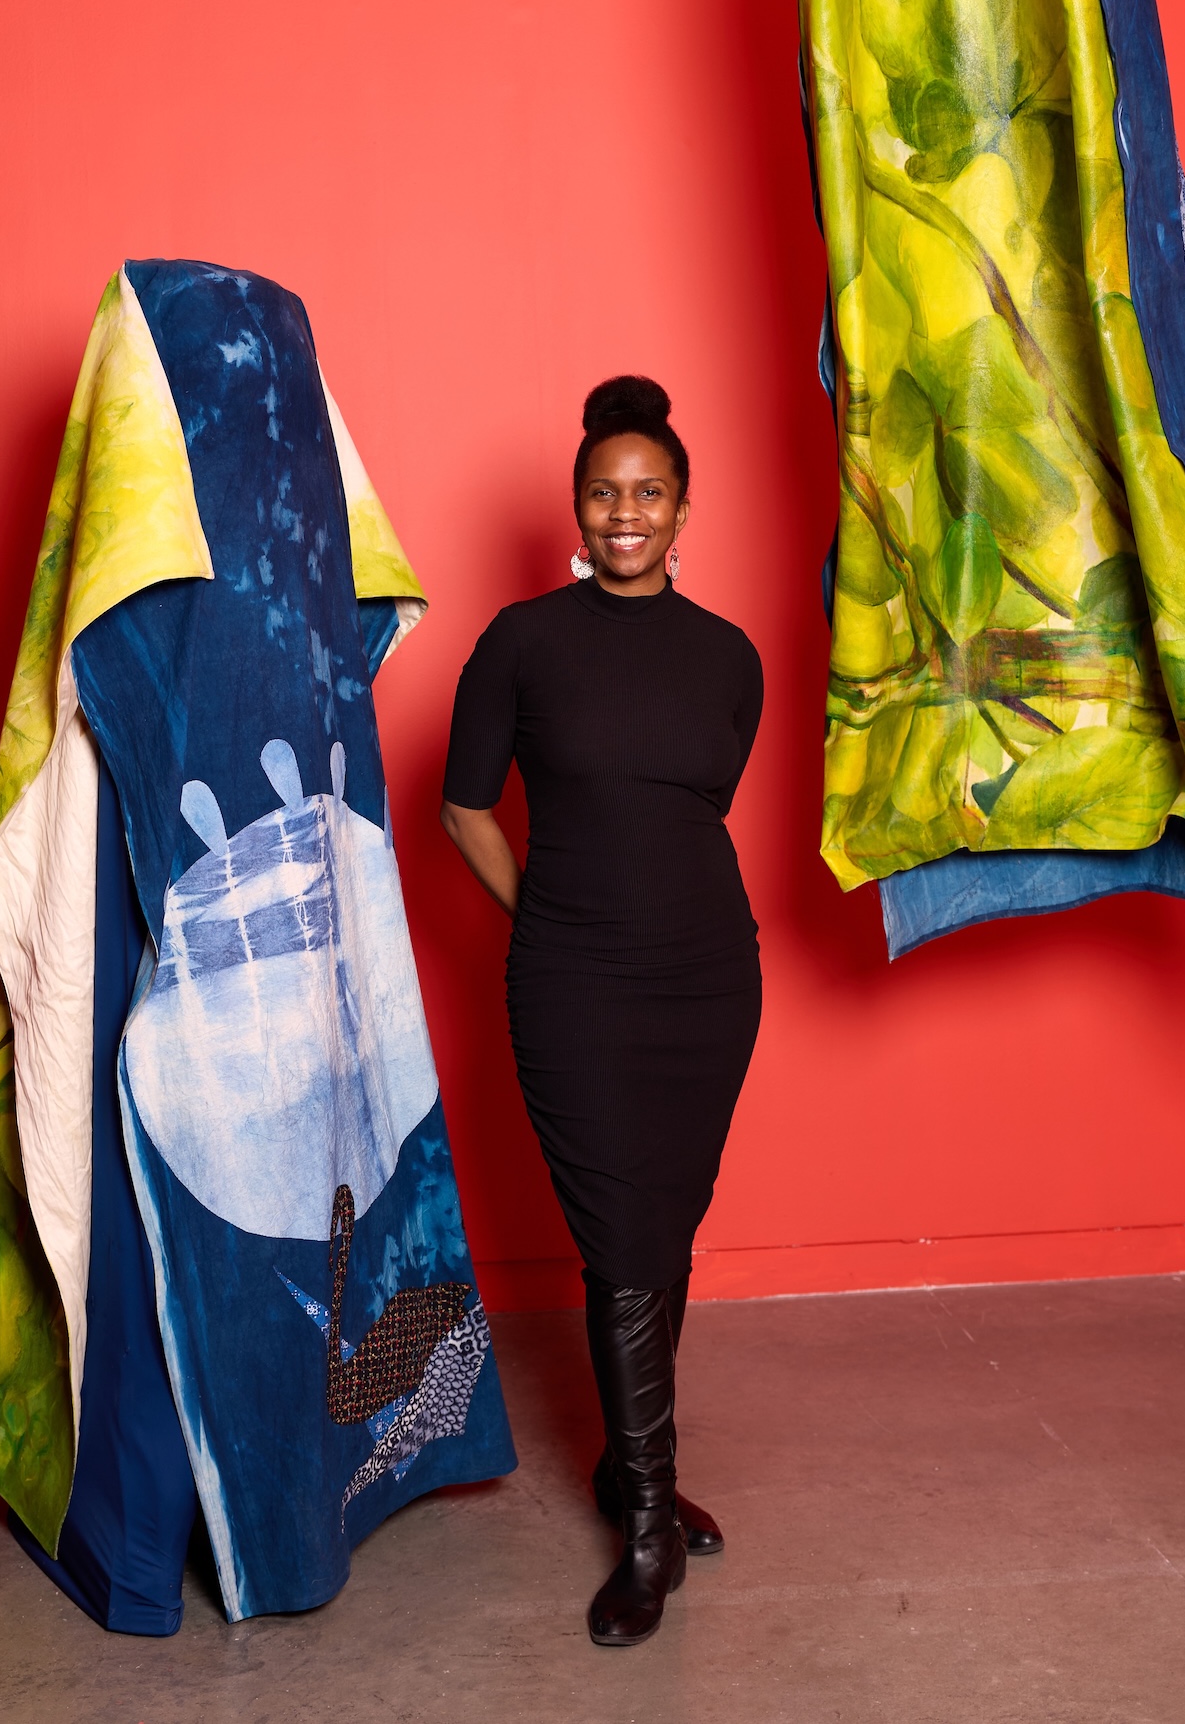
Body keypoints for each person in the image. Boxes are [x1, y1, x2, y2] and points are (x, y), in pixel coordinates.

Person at [441, 375, 764, 1646]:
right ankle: (644, 1531)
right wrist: (550, 917)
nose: (624, 514)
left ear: (682, 508)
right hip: (571, 982)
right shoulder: (521, 642)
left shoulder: (727, 656)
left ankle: (629, 1470)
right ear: (574, 508)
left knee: (663, 1231)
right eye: (602, 494)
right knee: (624, 1241)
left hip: (707, 980)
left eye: (648, 493)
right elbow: (463, 806)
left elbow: (691, 813)